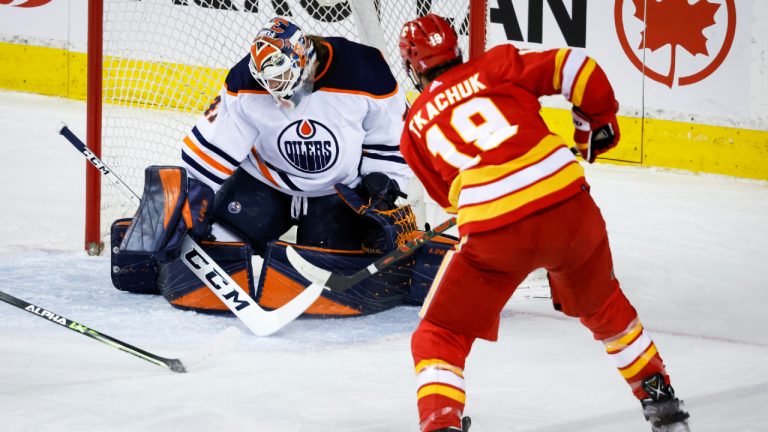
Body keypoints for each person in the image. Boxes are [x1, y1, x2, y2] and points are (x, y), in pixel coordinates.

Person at [398, 14, 690, 432]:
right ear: (456, 49)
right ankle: (662, 403)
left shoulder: (414, 128)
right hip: (568, 209)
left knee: (440, 333)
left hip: (496, 235)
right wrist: (597, 121)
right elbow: (579, 68)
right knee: (605, 307)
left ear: (413, 66)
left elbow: (449, 200)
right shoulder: (496, 64)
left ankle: (440, 423)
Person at [180, 16, 413, 256]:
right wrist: (186, 200)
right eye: (266, 81)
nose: (273, 89)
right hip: (264, 182)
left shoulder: (365, 70)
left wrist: (383, 191)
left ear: (301, 58)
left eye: (279, 77)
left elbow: (392, 139)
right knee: (218, 247)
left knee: (333, 267)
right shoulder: (245, 81)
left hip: (336, 192)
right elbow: (211, 149)